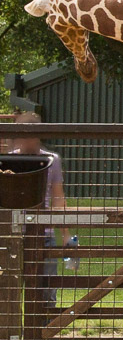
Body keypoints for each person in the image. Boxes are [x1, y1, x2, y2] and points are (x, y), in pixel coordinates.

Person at [6, 112, 68, 312]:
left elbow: (58, 197)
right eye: (22, 136)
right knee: (10, 288)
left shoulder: (52, 160)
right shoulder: (7, 160)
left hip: (45, 233)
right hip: (13, 233)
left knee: (47, 286)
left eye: (30, 136)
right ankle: (9, 335)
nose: (26, 141)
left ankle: (46, 332)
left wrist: (65, 234)